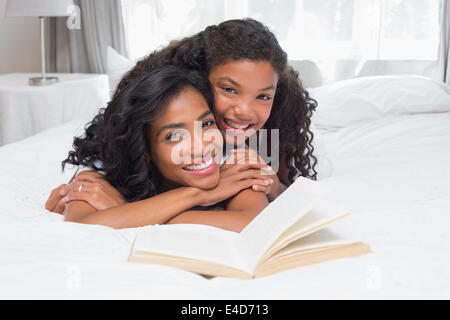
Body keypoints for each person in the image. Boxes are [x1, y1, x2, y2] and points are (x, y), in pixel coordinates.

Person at [46, 18, 317, 215]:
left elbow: (276, 195)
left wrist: (271, 183)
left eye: (262, 96)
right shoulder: (164, 112)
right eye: (228, 89)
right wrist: (132, 208)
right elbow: (100, 185)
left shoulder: (262, 132)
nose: (245, 111)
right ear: (198, 80)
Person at [62, 65, 269, 232]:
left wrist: (125, 213)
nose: (201, 147)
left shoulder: (236, 172)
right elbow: (81, 229)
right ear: (146, 151)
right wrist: (198, 194)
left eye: (206, 124)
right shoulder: (100, 181)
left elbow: (254, 226)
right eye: (174, 136)